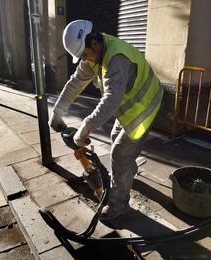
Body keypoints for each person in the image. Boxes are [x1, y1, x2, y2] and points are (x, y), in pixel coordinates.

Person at [49, 20, 163, 220]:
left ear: (94, 43)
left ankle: (119, 206)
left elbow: (111, 99)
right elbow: (75, 83)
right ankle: (127, 174)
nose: (85, 60)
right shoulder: (94, 55)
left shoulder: (116, 58)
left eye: (84, 54)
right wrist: (57, 112)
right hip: (130, 105)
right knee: (117, 143)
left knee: (120, 155)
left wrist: (85, 128)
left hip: (144, 107)